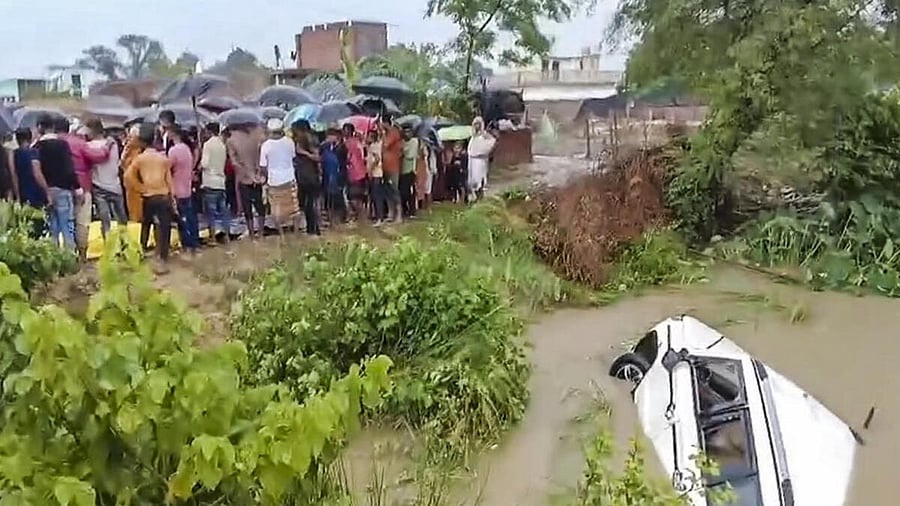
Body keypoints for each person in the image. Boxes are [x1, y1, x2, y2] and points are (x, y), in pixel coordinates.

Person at [59, 116, 111, 260]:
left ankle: (65, 256)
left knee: (63, 222)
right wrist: (107, 148)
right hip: (82, 186)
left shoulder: (47, 142)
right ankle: (82, 255)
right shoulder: (79, 143)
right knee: (82, 220)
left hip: (59, 187)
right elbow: (98, 156)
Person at [125, 124, 175, 271]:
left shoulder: (140, 159)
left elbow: (128, 176)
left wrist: (140, 188)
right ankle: (163, 259)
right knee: (164, 228)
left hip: (149, 196)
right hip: (163, 195)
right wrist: (173, 200)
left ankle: (141, 252)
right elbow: (169, 181)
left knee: (146, 225)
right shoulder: (163, 158)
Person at [33, 114, 81, 250]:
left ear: (39, 127)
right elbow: (69, 167)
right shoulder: (62, 145)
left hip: (46, 191)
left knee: (52, 227)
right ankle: (69, 257)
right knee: (67, 225)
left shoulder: (37, 147)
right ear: (53, 127)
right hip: (63, 189)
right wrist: (77, 187)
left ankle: (54, 258)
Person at [86, 119, 127, 239]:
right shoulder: (113, 144)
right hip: (115, 185)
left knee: (105, 221)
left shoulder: (89, 146)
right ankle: (125, 245)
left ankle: (109, 247)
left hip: (98, 187)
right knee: (121, 219)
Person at [259, 118, 299, 236]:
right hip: (289, 178)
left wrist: (265, 178)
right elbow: (293, 157)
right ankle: (296, 233)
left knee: (276, 210)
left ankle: (282, 235)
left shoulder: (266, 146)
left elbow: (263, 166)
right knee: (294, 208)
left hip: (274, 181)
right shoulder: (289, 142)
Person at [227, 124, 266, 238]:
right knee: (260, 206)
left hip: (244, 178)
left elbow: (234, 162)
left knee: (247, 207)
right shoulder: (256, 136)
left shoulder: (231, 141)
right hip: (257, 177)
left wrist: (245, 172)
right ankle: (261, 233)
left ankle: (252, 235)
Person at [167, 124, 199, 255]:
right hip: (187, 187)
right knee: (190, 217)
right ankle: (194, 244)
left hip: (177, 189)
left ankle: (187, 245)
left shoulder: (174, 151)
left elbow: (167, 168)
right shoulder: (187, 149)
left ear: (173, 134)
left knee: (182, 219)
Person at [200, 122, 229, 243]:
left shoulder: (207, 145)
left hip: (210, 181)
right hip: (221, 181)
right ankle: (226, 235)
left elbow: (204, 164)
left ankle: (212, 237)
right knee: (223, 211)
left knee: (211, 213)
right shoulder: (222, 145)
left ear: (209, 131)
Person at [291, 119, 321, 236]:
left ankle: (314, 229)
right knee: (304, 204)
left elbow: (317, 158)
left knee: (311, 204)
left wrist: (303, 152)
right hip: (301, 175)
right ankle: (310, 228)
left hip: (310, 175)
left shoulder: (310, 140)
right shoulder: (295, 141)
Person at [320, 128, 347, 225]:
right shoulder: (325, 147)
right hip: (328, 174)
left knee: (338, 195)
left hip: (338, 174)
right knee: (330, 196)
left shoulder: (341, 147)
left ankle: (342, 216)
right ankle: (331, 216)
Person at [466, 116, 496, 202]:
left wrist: (484, 151)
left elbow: (492, 141)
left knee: (479, 179)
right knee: (472, 180)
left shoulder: (484, 135)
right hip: (472, 160)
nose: (476, 126)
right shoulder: (473, 136)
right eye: (475, 124)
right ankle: (473, 197)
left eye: (478, 124)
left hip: (480, 161)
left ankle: (480, 196)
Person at [343, 123, 367, 223]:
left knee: (353, 196)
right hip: (361, 172)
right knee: (357, 196)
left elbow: (348, 158)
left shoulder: (348, 144)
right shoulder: (358, 142)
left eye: (345, 130)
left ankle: (361, 217)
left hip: (354, 172)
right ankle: (361, 217)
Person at [381, 117, 403, 222]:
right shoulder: (385, 134)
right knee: (387, 191)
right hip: (384, 166)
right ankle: (390, 213)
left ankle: (399, 214)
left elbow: (385, 145)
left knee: (394, 190)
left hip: (393, 166)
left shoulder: (393, 133)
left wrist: (382, 134)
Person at [121, 125, 144, 222]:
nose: (129, 139)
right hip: (130, 185)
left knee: (137, 209)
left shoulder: (138, 152)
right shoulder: (129, 150)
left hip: (137, 185)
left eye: (131, 136)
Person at [366, 128, 387, 225]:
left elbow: (377, 159)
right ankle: (377, 215)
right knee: (374, 196)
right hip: (374, 173)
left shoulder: (375, 146)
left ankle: (379, 217)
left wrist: (371, 169)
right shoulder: (372, 146)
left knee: (377, 195)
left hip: (376, 173)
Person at [400, 127, 419, 218]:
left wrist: (403, 152)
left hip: (410, 170)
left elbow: (410, 155)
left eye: (409, 132)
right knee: (403, 192)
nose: (407, 134)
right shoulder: (402, 142)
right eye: (405, 132)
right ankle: (404, 210)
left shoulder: (414, 142)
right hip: (402, 170)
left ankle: (412, 211)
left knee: (411, 192)